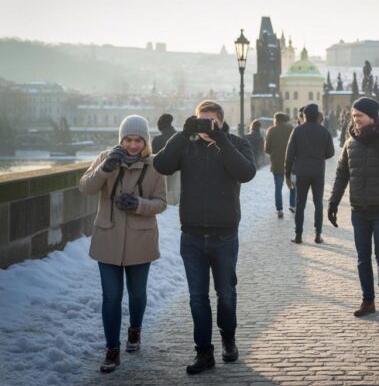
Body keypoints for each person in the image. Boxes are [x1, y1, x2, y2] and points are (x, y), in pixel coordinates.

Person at [153, 100, 256, 375]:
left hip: (224, 235)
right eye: (200, 121)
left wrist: (221, 140)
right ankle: (203, 352)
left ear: (220, 122)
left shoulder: (235, 143)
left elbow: (246, 173)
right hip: (193, 236)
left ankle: (228, 338)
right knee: (197, 298)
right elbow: (161, 164)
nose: (204, 126)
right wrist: (181, 134)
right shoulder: (187, 144)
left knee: (226, 295)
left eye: (210, 121)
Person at [79, 115, 167, 373]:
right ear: (121, 139)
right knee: (111, 297)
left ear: (145, 141)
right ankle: (112, 349)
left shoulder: (155, 165)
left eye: (138, 140)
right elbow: (85, 187)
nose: (132, 145)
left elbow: (161, 203)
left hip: (141, 238)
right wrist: (106, 167)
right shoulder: (106, 157)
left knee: (137, 294)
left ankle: (135, 330)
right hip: (108, 237)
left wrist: (139, 205)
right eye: (128, 139)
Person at [328, 97, 379, 317]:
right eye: (353, 116)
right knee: (363, 258)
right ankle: (368, 301)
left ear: (372, 116)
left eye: (359, 116)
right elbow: (342, 172)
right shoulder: (350, 139)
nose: (355, 120)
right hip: (358, 209)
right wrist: (333, 201)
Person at [284, 104, 335, 244]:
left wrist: (287, 174)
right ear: (317, 115)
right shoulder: (324, 131)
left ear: (304, 116)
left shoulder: (297, 130)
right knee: (318, 203)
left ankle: (298, 235)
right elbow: (330, 152)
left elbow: (289, 155)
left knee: (300, 204)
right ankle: (318, 235)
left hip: (301, 171)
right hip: (318, 171)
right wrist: (319, 156)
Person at [264, 112, 296, 218]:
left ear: (275, 120)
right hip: (290, 162)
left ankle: (279, 209)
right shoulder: (291, 129)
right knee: (292, 184)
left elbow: (267, 149)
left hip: (277, 163)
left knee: (278, 187)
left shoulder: (271, 130)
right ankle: (292, 205)